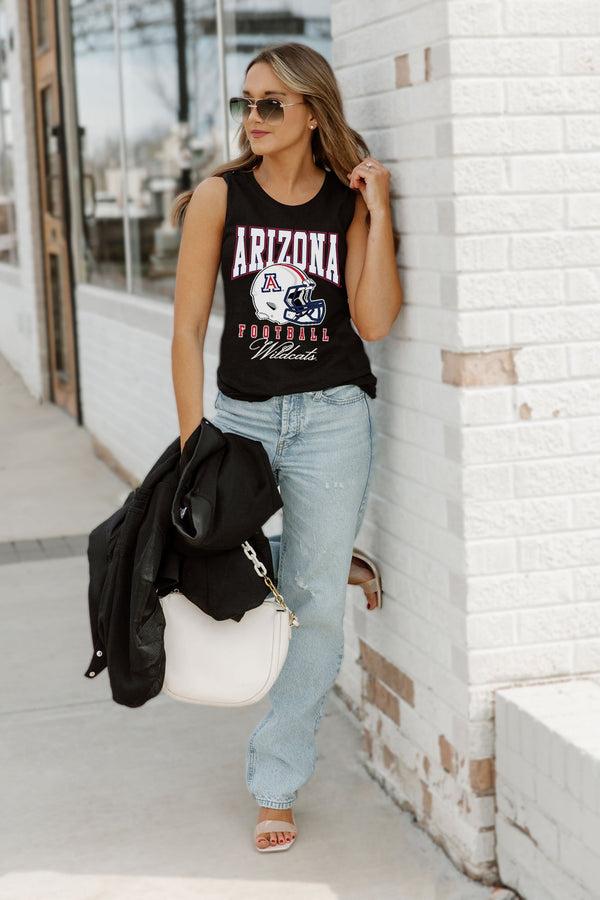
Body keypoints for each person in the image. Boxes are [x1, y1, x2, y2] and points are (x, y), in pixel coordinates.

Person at [170, 41, 403, 852]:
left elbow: (373, 323)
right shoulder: (219, 198)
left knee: (315, 619)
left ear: (312, 111)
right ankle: (324, 551)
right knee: (209, 556)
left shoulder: (343, 203)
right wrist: (193, 437)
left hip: (334, 415)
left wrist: (379, 211)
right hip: (244, 417)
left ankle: (276, 780)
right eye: (248, 102)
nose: (256, 118)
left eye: (273, 103)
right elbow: (188, 328)